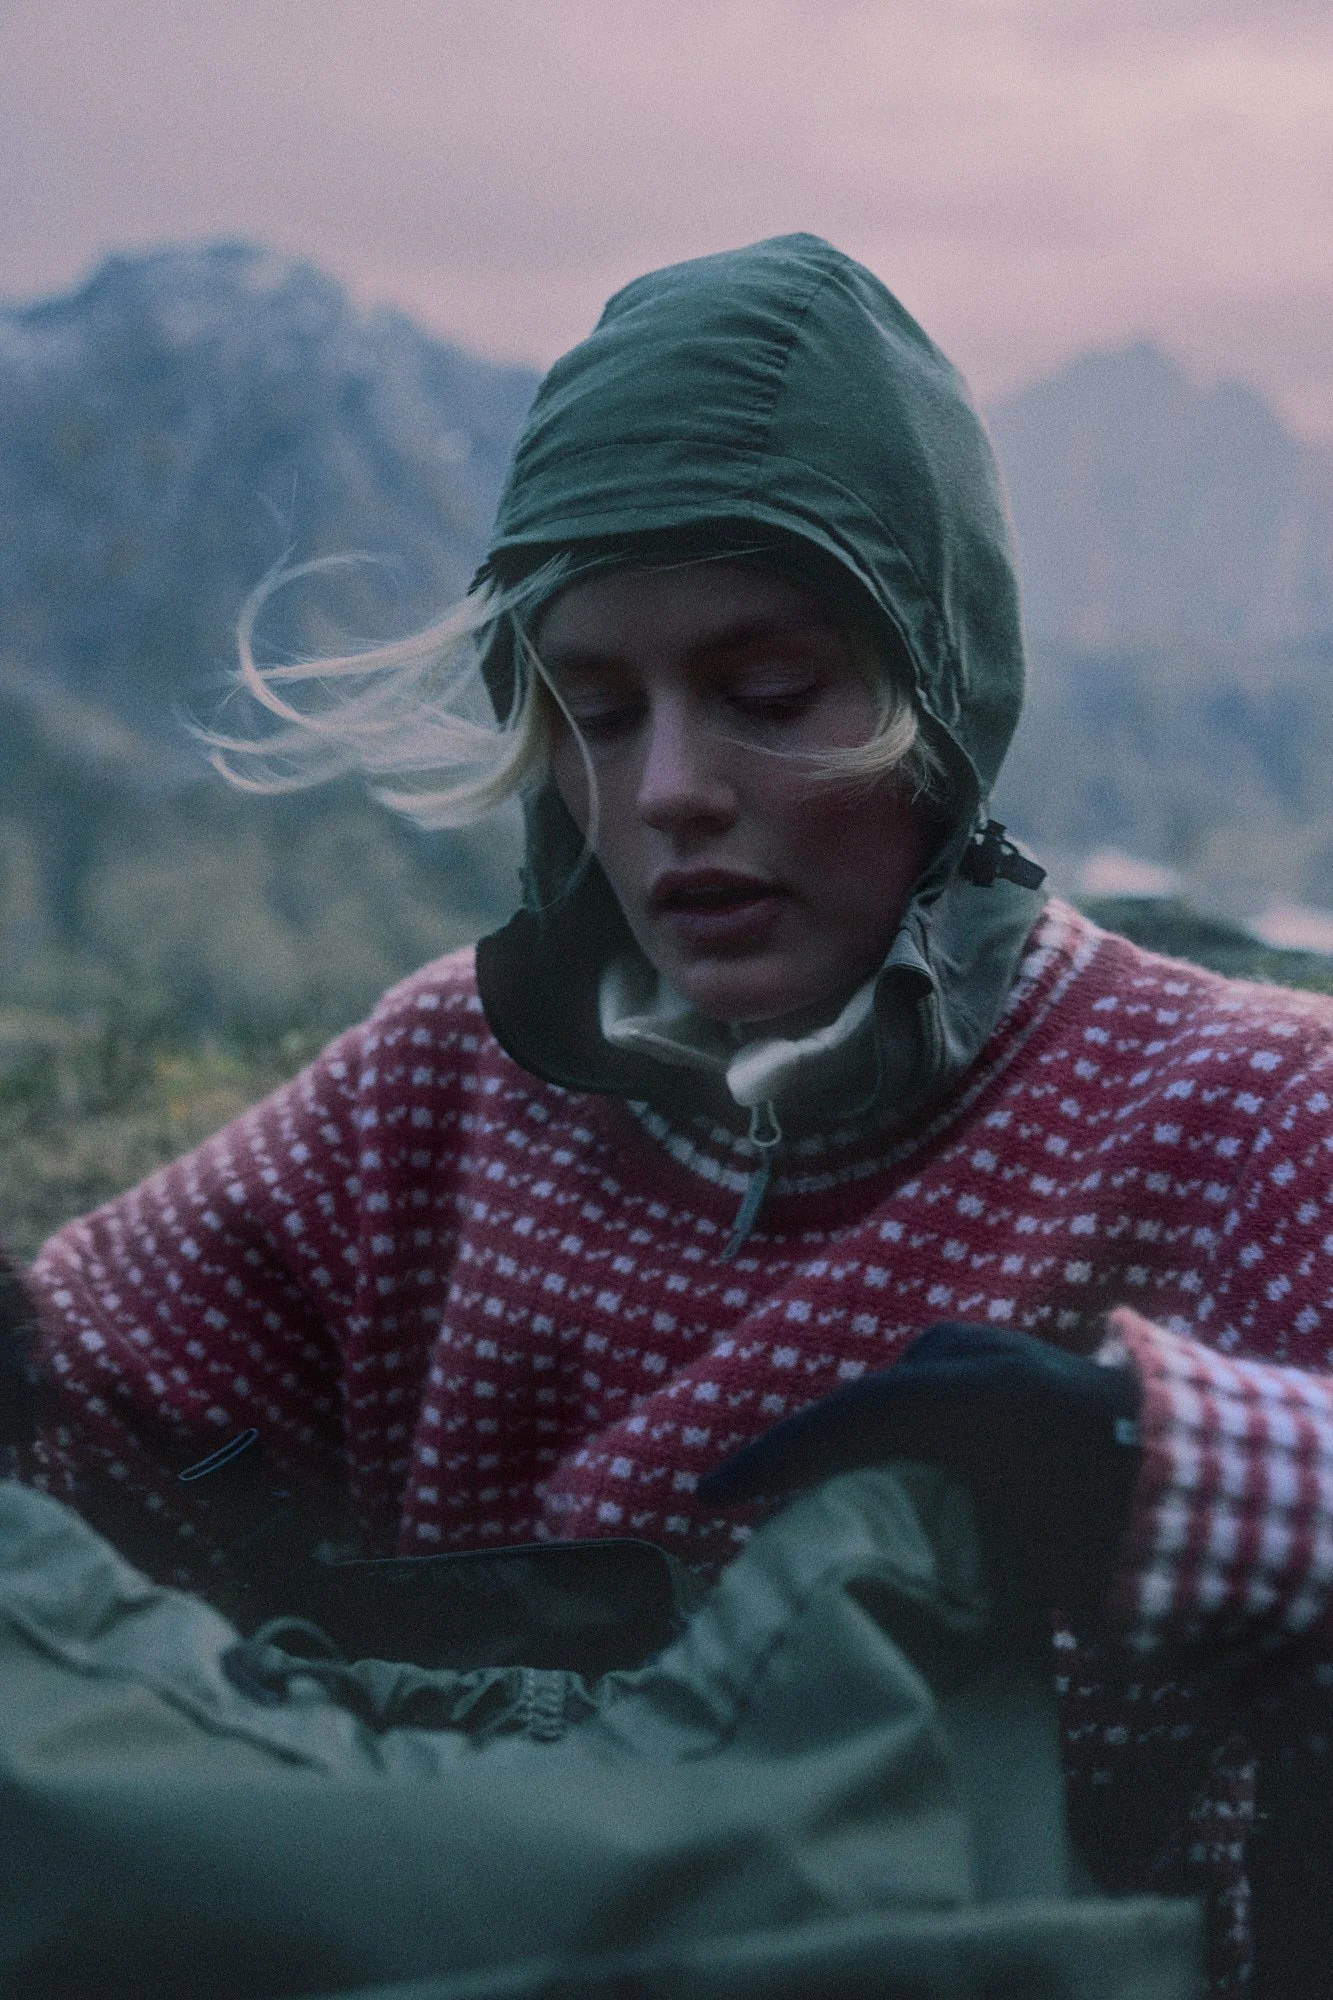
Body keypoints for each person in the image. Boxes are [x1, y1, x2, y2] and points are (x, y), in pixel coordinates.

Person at [10, 234, 1333, 1994]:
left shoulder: (1242, 1114)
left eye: (769, 697)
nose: (671, 791)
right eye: (594, 709)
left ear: (943, 691)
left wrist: (1156, 1465)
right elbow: (85, 1412)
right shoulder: (435, 1094)